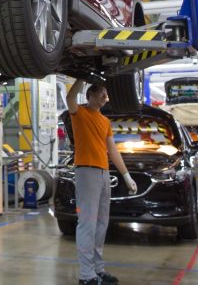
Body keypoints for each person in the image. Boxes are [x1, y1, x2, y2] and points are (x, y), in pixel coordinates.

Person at [66, 79, 137, 285]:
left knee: (101, 224)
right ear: (90, 95)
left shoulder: (105, 122)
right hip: (86, 171)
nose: (105, 97)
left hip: (104, 173)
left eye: (106, 94)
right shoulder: (79, 113)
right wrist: (80, 77)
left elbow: (112, 150)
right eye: (101, 93)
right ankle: (86, 275)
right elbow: (70, 97)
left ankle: (98, 269)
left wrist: (126, 175)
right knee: (87, 223)